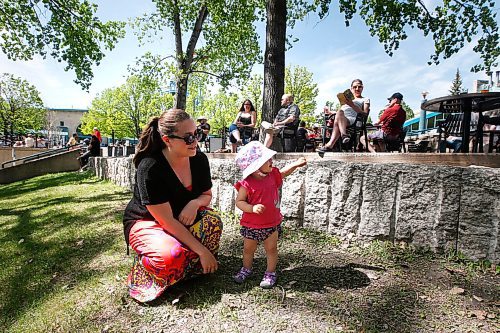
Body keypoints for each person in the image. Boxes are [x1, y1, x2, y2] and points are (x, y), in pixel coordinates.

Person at [122, 109, 223, 303]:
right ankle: (145, 267)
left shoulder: (199, 159)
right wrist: (202, 251)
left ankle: (184, 265)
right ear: (167, 139)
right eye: (188, 138)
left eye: (197, 134)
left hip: (179, 217)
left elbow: (206, 195)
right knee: (172, 256)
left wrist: (194, 203)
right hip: (147, 221)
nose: (195, 142)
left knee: (213, 222)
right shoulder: (150, 167)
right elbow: (166, 220)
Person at [233, 141, 307, 288]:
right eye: (266, 160)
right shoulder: (247, 184)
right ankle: (246, 269)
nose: (271, 161)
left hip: (271, 224)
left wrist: (295, 165)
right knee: (248, 249)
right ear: (255, 166)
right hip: (251, 225)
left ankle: (270, 272)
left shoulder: (272, 175)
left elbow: (284, 172)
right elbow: (239, 202)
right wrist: (251, 208)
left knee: (271, 249)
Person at [317, 79, 370, 154]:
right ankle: (343, 136)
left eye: (359, 87)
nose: (357, 89)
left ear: (362, 88)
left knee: (338, 118)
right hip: (342, 118)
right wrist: (330, 112)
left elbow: (365, 113)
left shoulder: (365, 99)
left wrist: (352, 105)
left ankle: (331, 144)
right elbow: (341, 111)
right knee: (339, 112)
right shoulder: (347, 100)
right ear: (351, 88)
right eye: (355, 87)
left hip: (354, 119)